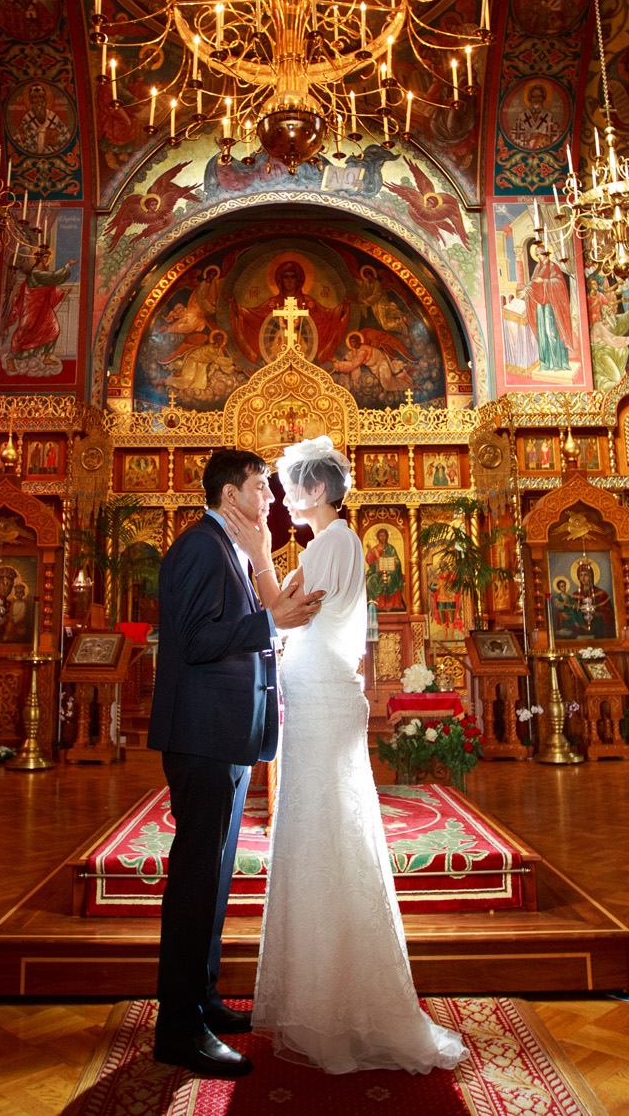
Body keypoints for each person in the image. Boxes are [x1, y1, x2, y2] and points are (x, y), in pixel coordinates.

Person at [250, 437, 468, 1074]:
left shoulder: (335, 542)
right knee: (317, 833)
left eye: (293, 487)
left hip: (320, 704)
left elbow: (283, 615)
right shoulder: (329, 544)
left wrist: (261, 553)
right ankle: (323, 994)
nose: (287, 499)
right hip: (317, 701)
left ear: (318, 492)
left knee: (326, 835)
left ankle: (339, 1003)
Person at [148, 449, 324, 1078]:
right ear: (229, 494)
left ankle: (201, 1000)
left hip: (221, 732)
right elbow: (194, 640)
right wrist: (269, 621)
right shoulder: (200, 547)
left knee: (215, 880)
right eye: (260, 488)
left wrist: (266, 617)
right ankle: (177, 1029)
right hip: (201, 735)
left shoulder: (230, 546)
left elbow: (235, 628)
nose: (271, 499)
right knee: (196, 879)